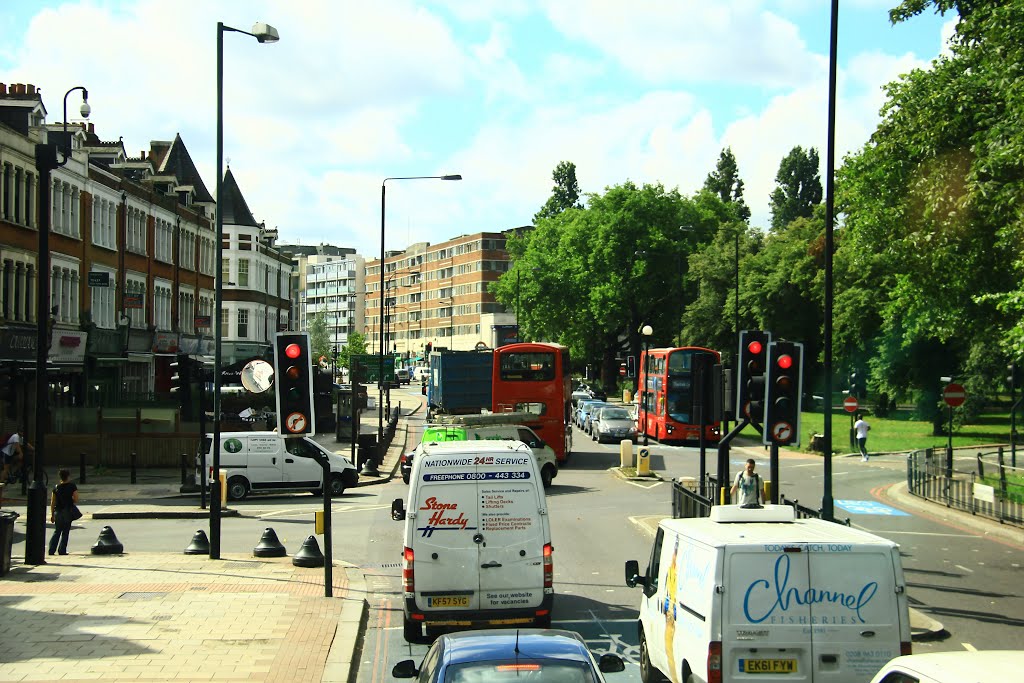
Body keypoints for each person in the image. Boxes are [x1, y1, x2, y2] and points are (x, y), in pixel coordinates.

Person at [49, 468, 79, 556]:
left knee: (57, 531)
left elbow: (52, 502)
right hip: (68, 510)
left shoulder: (56, 487)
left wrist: (52, 515)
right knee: (65, 531)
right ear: (68, 476)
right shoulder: (72, 486)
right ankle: (62, 550)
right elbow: (76, 499)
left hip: (58, 511)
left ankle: (51, 550)